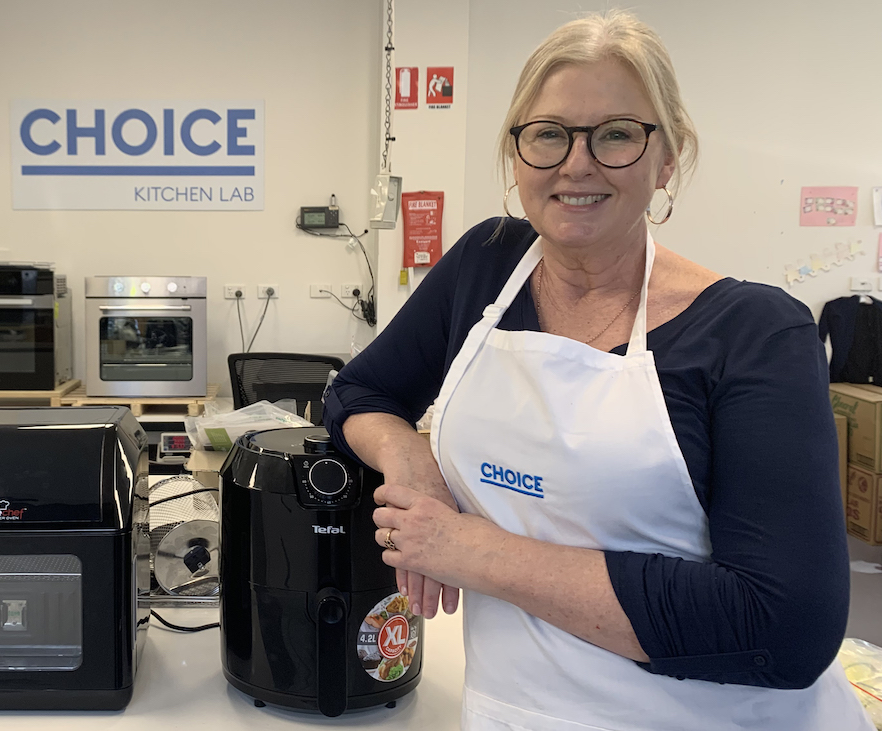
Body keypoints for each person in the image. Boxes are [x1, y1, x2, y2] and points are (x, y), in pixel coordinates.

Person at [322, 10, 870, 731]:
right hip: (514, 711)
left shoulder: (756, 332)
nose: (576, 164)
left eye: (615, 134)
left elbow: (784, 628)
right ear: (517, 153)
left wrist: (472, 552)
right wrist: (410, 460)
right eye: (548, 133)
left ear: (667, 157)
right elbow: (360, 391)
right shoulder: (486, 266)